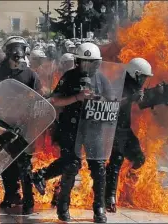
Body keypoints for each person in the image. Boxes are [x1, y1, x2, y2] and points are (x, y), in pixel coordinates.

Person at [33, 43, 112, 223]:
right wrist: (77, 97)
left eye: (92, 63)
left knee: (99, 168)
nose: (88, 67)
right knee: (71, 166)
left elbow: (112, 101)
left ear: (98, 64)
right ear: (78, 62)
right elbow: (54, 100)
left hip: (94, 128)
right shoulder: (69, 77)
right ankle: (62, 207)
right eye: (85, 63)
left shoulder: (101, 79)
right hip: (71, 128)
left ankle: (99, 207)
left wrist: (101, 99)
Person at [0, 36, 43, 215]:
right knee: (5, 163)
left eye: (21, 48)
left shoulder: (30, 74)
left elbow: (39, 98)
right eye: (14, 49)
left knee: (24, 164)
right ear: (8, 52)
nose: (18, 52)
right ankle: (11, 195)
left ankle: (28, 200)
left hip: (23, 125)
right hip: (2, 125)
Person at [105, 58, 153, 213]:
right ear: (135, 74)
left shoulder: (134, 86)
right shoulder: (119, 83)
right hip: (113, 128)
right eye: (144, 77)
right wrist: (131, 98)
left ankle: (126, 188)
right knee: (116, 161)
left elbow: (141, 103)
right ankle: (109, 196)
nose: (145, 80)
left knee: (138, 158)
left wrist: (156, 95)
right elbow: (111, 103)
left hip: (124, 129)